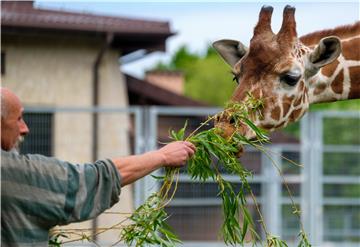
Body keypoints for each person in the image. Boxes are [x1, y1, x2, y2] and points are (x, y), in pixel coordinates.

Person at [1, 87, 196, 246]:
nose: (25, 128)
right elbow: (91, 180)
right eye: (18, 118)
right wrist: (162, 155)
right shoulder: (12, 173)